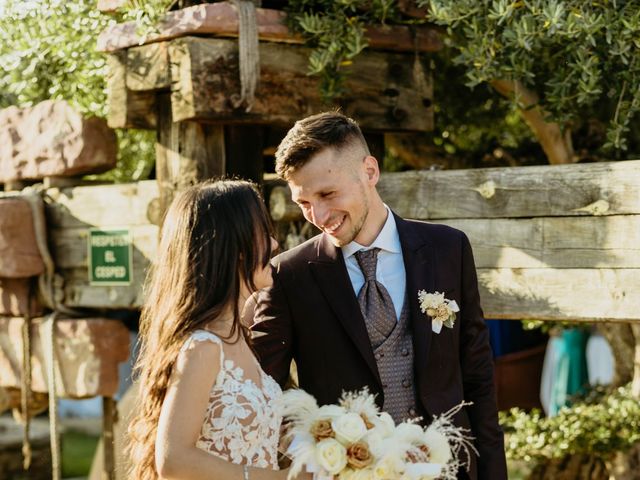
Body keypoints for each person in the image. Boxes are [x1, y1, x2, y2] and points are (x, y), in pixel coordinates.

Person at [251, 112, 508, 480]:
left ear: (369, 172)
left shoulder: (447, 249)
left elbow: (478, 376)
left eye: (328, 194)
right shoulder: (290, 274)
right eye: (303, 203)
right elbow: (262, 386)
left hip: (447, 470)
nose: (319, 215)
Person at [127, 180, 310, 480]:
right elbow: (174, 461)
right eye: (264, 234)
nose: (275, 245)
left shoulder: (243, 339)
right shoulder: (203, 346)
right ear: (236, 249)